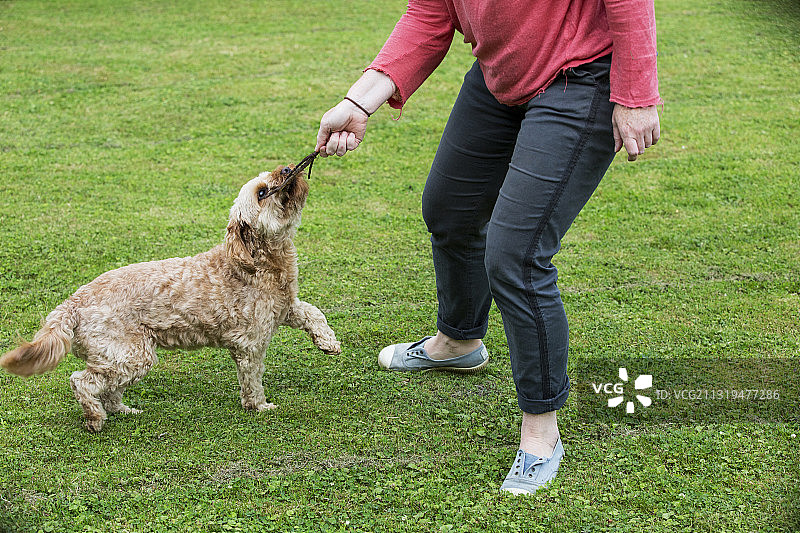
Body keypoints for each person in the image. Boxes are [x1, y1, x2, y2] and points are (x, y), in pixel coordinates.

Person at [315, 0, 661, 495]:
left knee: (515, 254)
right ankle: (458, 342)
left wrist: (636, 92)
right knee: (450, 210)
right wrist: (357, 102)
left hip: (580, 75)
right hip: (501, 77)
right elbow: (430, 15)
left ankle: (541, 428)